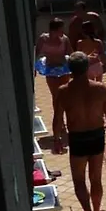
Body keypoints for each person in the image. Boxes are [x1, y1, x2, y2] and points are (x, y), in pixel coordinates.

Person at [52, 52, 106, 211]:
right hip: (96, 136)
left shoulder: (63, 91)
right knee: (95, 179)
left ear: (69, 69)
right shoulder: (100, 89)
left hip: (77, 138)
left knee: (79, 180)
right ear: (87, 67)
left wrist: (57, 140)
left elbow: (57, 119)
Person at [36, 18, 74, 151]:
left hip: (63, 69)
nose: (62, 31)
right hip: (50, 69)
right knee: (55, 96)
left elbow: (71, 53)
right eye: (60, 29)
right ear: (54, 30)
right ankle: (60, 122)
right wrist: (34, 67)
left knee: (65, 95)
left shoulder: (64, 39)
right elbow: (36, 53)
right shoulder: (43, 39)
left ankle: (67, 122)